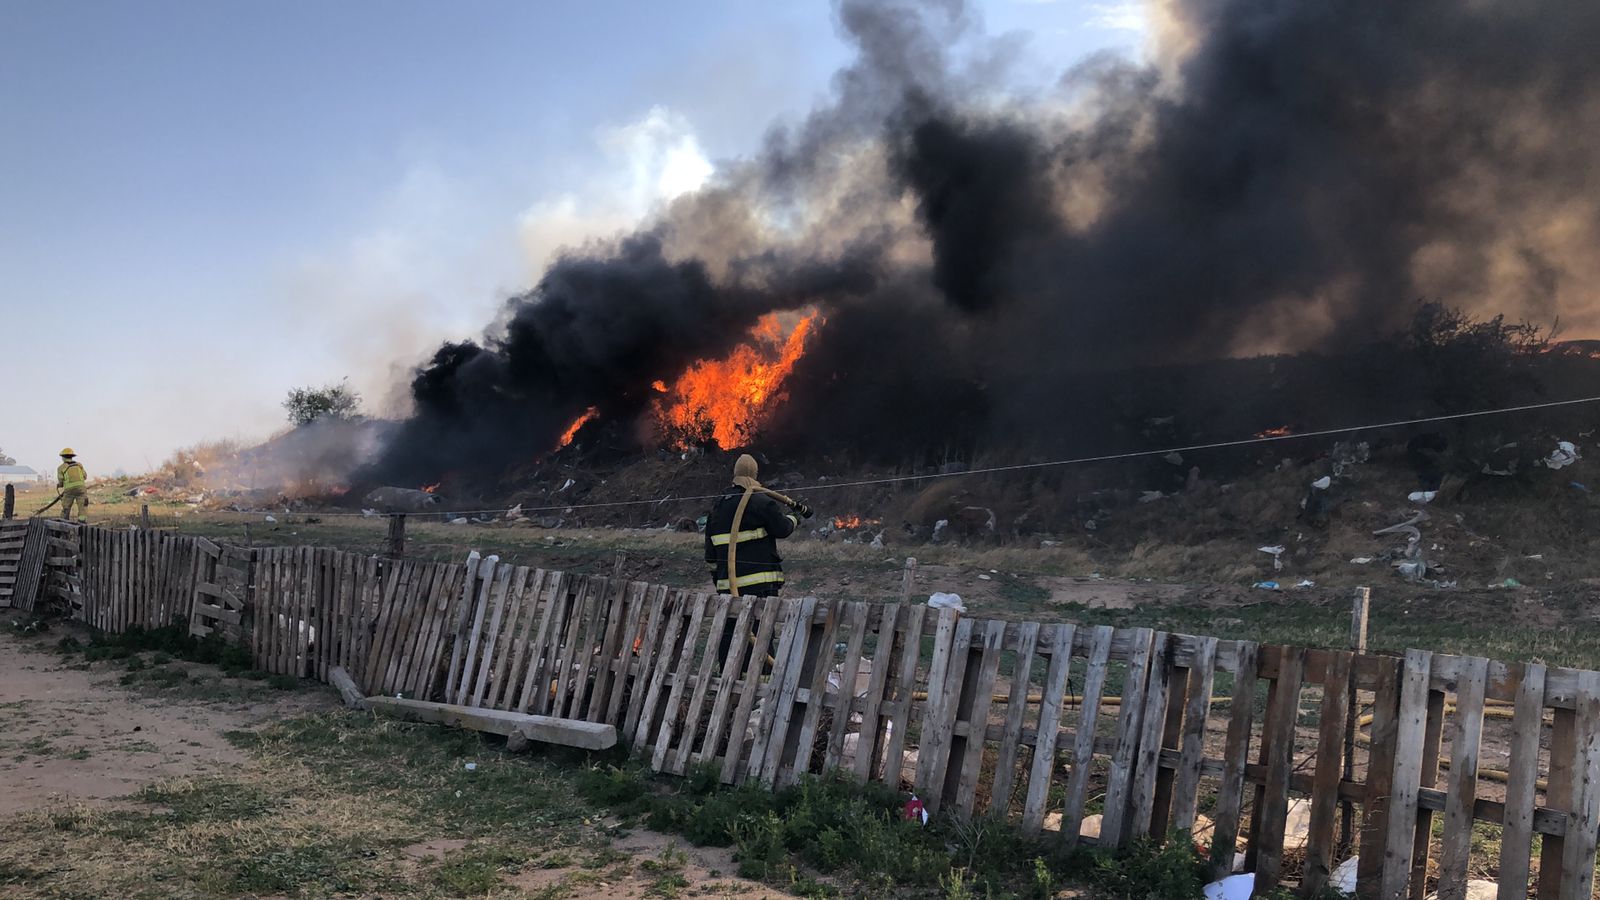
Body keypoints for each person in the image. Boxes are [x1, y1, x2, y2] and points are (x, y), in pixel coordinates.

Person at [704, 454, 806, 597]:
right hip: (760, 588)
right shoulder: (761, 502)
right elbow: (782, 529)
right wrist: (795, 518)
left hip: (728, 591)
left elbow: (710, 556)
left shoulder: (717, 507)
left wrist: (720, 579)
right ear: (755, 474)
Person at [56, 448, 89, 522]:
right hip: (81, 490)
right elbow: (85, 476)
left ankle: (63, 522)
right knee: (83, 507)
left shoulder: (61, 468)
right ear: (72, 456)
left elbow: (61, 482)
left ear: (63, 457)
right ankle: (82, 522)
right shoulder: (79, 465)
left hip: (69, 491)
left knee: (66, 508)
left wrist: (59, 485)